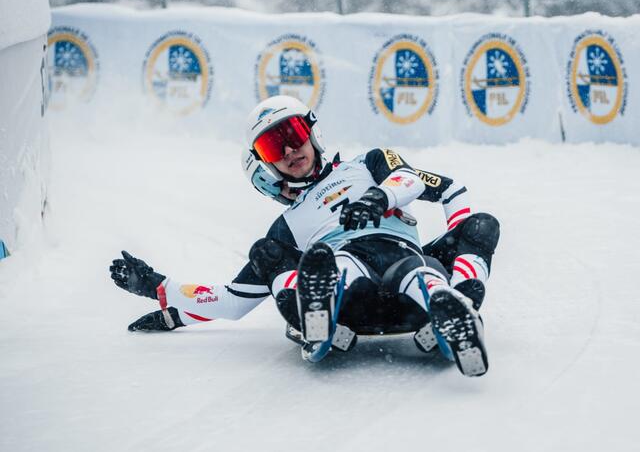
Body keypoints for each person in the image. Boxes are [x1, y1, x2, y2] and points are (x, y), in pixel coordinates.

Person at [110, 95, 499, 377]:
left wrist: (379, 197)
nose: (291, 149)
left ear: (313, 133)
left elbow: (415, 179)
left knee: (478, 227)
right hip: (350, 292)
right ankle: (318, 313)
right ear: (264, 167)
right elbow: (233, 300)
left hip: (406, 263)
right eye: (273, 146)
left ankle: (455, 311)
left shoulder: (370, 164)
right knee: (283, 254)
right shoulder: (288, 225)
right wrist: (163, 292)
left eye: (293, 134)